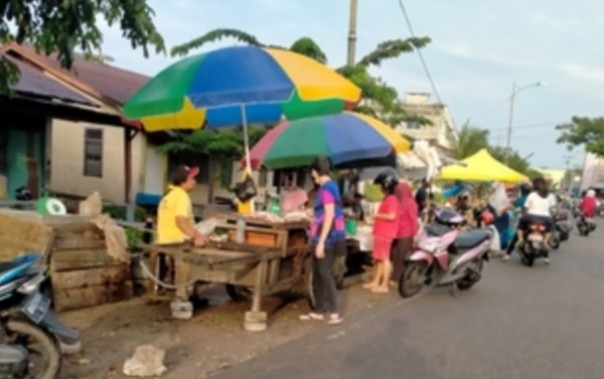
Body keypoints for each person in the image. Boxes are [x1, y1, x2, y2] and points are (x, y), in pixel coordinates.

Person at [299, 156, 345, 325]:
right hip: (326, 235)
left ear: (316, 172)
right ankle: (318, 310)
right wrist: (314, 213)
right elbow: (326, 212)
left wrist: (321, 242)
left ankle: (334, 312)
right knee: (318, 274)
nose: (313, 177)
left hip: (327, 238)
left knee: (325, 274)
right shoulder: (331, 187)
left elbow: (330, 215)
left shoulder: (327, 189)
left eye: (313, 174)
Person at [157, 165, 207, 301]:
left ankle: (189, 292)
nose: (195, 181)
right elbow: (180, 221)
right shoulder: (181, 196)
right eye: (192, 179)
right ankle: (184, 293)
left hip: (165, 239)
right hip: (178, 240)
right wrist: (197, 236)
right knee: (200, 253)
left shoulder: (169, 194)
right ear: (183, 182)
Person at [363, 171, 399, 293]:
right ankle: (376, 281)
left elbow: (392, 216)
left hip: (386, 233)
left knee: (384, 259)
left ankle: (384, 286)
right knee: (379, 259)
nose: (380, 189)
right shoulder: (388, 198)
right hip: (381, 232)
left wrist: (376, 215)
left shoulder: (392, 199)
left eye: (381, 186)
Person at [516, 178, 556, 264]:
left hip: (530, 217)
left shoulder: (532, 195)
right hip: (545, 218)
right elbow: (552, 208)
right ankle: (545, 242)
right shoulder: (551, 196)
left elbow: (526, 207)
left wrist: (525, 214)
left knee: (520, 227)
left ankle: (520, 239)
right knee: (550, 229)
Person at [391, 181, 418, 285]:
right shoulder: (404, 202)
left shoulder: (407, 203)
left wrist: (414, 234)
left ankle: (397, 278)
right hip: (401, 234)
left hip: (401, 234)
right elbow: (412, 219)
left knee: (399, 256)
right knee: (398, 256)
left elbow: (413, 220)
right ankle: (396, 277)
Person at [502, 183, 532, 261]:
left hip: (525, 220)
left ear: (521, 191)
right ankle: (546, 257)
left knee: (516, 237)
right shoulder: (533, 198)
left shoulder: (522, 199)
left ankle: (508, 255)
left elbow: (511, 206)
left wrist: (501, 211)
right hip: (538, 219)